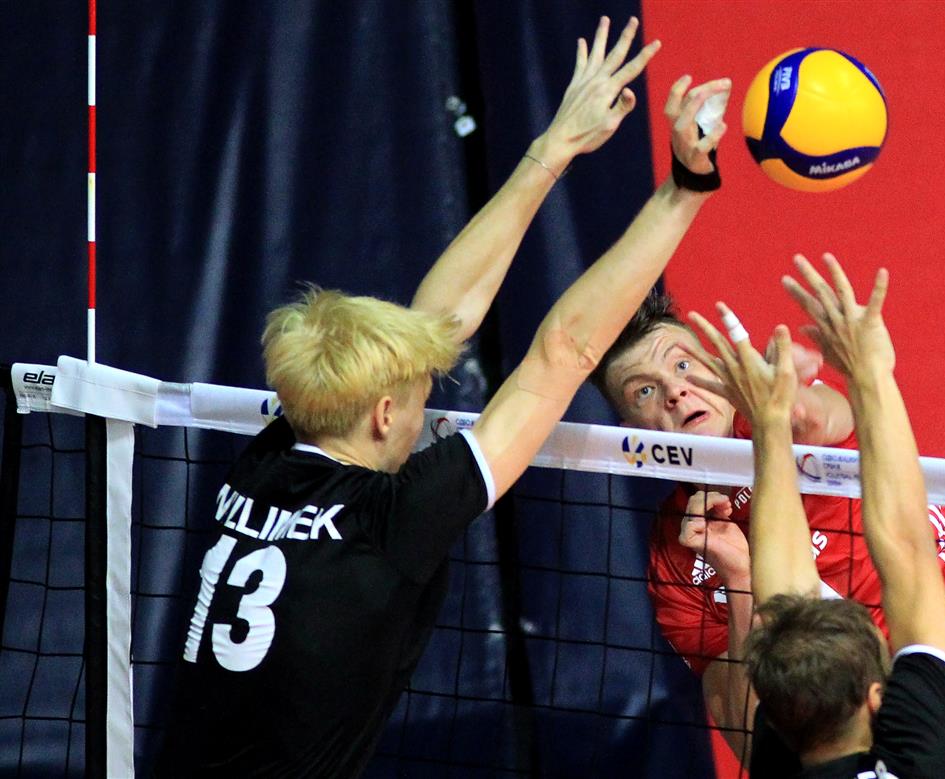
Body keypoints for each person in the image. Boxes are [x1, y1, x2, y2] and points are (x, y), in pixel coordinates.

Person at [156, 17, 731, 776]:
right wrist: (686, 186)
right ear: (383, 415)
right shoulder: (390, 521)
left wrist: (554, 147)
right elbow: (565, 351)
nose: (430, 382)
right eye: (413, 389)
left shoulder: (266, 461)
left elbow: (439, 323)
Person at [592, 261, 945, 776]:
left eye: (683, 365)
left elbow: (821, 415)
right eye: (644, 390)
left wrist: (785, 397)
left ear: (725, 367)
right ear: (633, 430)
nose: (675, 391)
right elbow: (752, 740)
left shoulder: (797, 433)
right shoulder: (677, 556)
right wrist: (739, 582)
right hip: (843, 755)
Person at [686, 258, 945, 776]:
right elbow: (909, 549)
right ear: (876, 698)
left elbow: (787, 599)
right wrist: (869, 371)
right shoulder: (924, 758)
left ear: (777, 721)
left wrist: (770, 421)